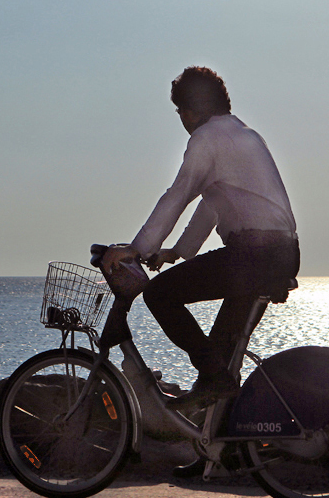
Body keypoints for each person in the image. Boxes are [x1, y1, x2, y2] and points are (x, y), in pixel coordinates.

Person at [105, 66, 300, 413]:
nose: (181, 118)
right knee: (221, 358)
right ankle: (219, 456)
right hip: (280, 252)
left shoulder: (206, 139)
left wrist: (136, 249)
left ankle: (213, 378)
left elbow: (179, 194)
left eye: (180, 110)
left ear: (190, 110)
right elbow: (212, 204)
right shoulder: (244, 134)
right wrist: (176, 252)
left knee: (160, 295)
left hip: (255, 254)